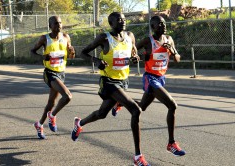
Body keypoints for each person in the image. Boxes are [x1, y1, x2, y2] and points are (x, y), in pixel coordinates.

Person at [71, 12, 150, 166]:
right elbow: (83, 52)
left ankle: (79, 123)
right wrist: (96, 60)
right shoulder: (104, 37)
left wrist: (135, 58)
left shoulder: (130, 36)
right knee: (135, 109)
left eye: (124, 19)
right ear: (111, 23)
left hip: (122, 80)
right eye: (118, 19)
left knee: (101, 114)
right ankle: (138, 156)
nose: (123, 21)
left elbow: (134, 53)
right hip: (108, 81)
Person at [112, 15, 186, 156]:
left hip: (161, 77)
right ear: (152, 27)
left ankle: (120, 102)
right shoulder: (148, 41)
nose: (163, 26)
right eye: (159, 24)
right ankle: (171, 143)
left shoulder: (169, 39)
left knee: (142, 107)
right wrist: (141, 56)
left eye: (164, 23)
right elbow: (132, 49)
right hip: (150, 78)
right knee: (172, 105)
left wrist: (172, 49)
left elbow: (177, 59)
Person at [31, 16, 75, 139]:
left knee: (51, 103)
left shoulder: (66, 37)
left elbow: (71, 56)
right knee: (67, 96)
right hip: (49, 73)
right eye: (56, 23)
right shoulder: (44, 38)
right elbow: (32, 51)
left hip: (61, 73)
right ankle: (52, 116)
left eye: (60, 23)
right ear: (50, 26)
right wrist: (42, 57)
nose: (59, 25)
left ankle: (39, 124)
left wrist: (72, 52)